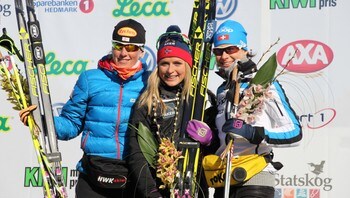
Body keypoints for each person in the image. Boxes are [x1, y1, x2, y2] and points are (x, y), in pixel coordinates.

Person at [19, 19, 149, 198]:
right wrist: (41, 121)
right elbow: (71, 125)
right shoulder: (90, 79)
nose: (124, 53)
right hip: (94, 175)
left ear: (142, 51)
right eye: (118, 46)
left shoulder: (150, 83)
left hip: (134, 175)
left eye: (132, 48)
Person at [210, 20, 302, 197]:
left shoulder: (263, 84)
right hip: (224, 180)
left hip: (255, 180)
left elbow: (295, 133)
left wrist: (255, 134)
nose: (224, 56)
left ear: (245, 50)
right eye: (218, 51)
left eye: (231, 49)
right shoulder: (222, 89)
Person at [125, 25, 213, 198]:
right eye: (164, 63)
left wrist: (210, 140)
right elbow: (136, 153)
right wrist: (151, 192)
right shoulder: (147, 101)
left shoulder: (202, 99)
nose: (170, 70)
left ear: (188, 66)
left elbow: (217, 152)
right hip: (157, 188)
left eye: (177, 63)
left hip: (193, 188)